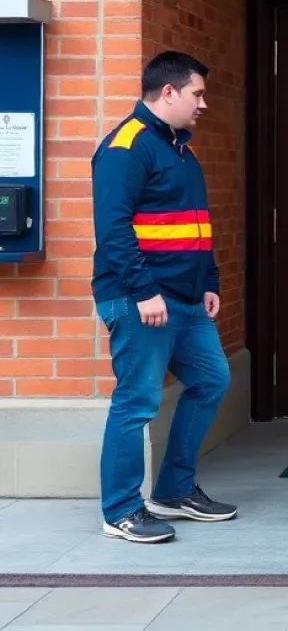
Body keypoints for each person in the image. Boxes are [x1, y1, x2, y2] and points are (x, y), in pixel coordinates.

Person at [92, 51, 236, 544]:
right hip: (142, 300)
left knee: (212, 379)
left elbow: (196, 223)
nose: (203, 103)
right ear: (168, 92)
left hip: (186, 298)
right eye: (197, 93)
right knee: (136, 402)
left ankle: (174, 491)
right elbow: (112, 228)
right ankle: (120, 510)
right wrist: (144, 290)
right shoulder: (126, 146)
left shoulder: (180, 149)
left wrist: (210, 278)